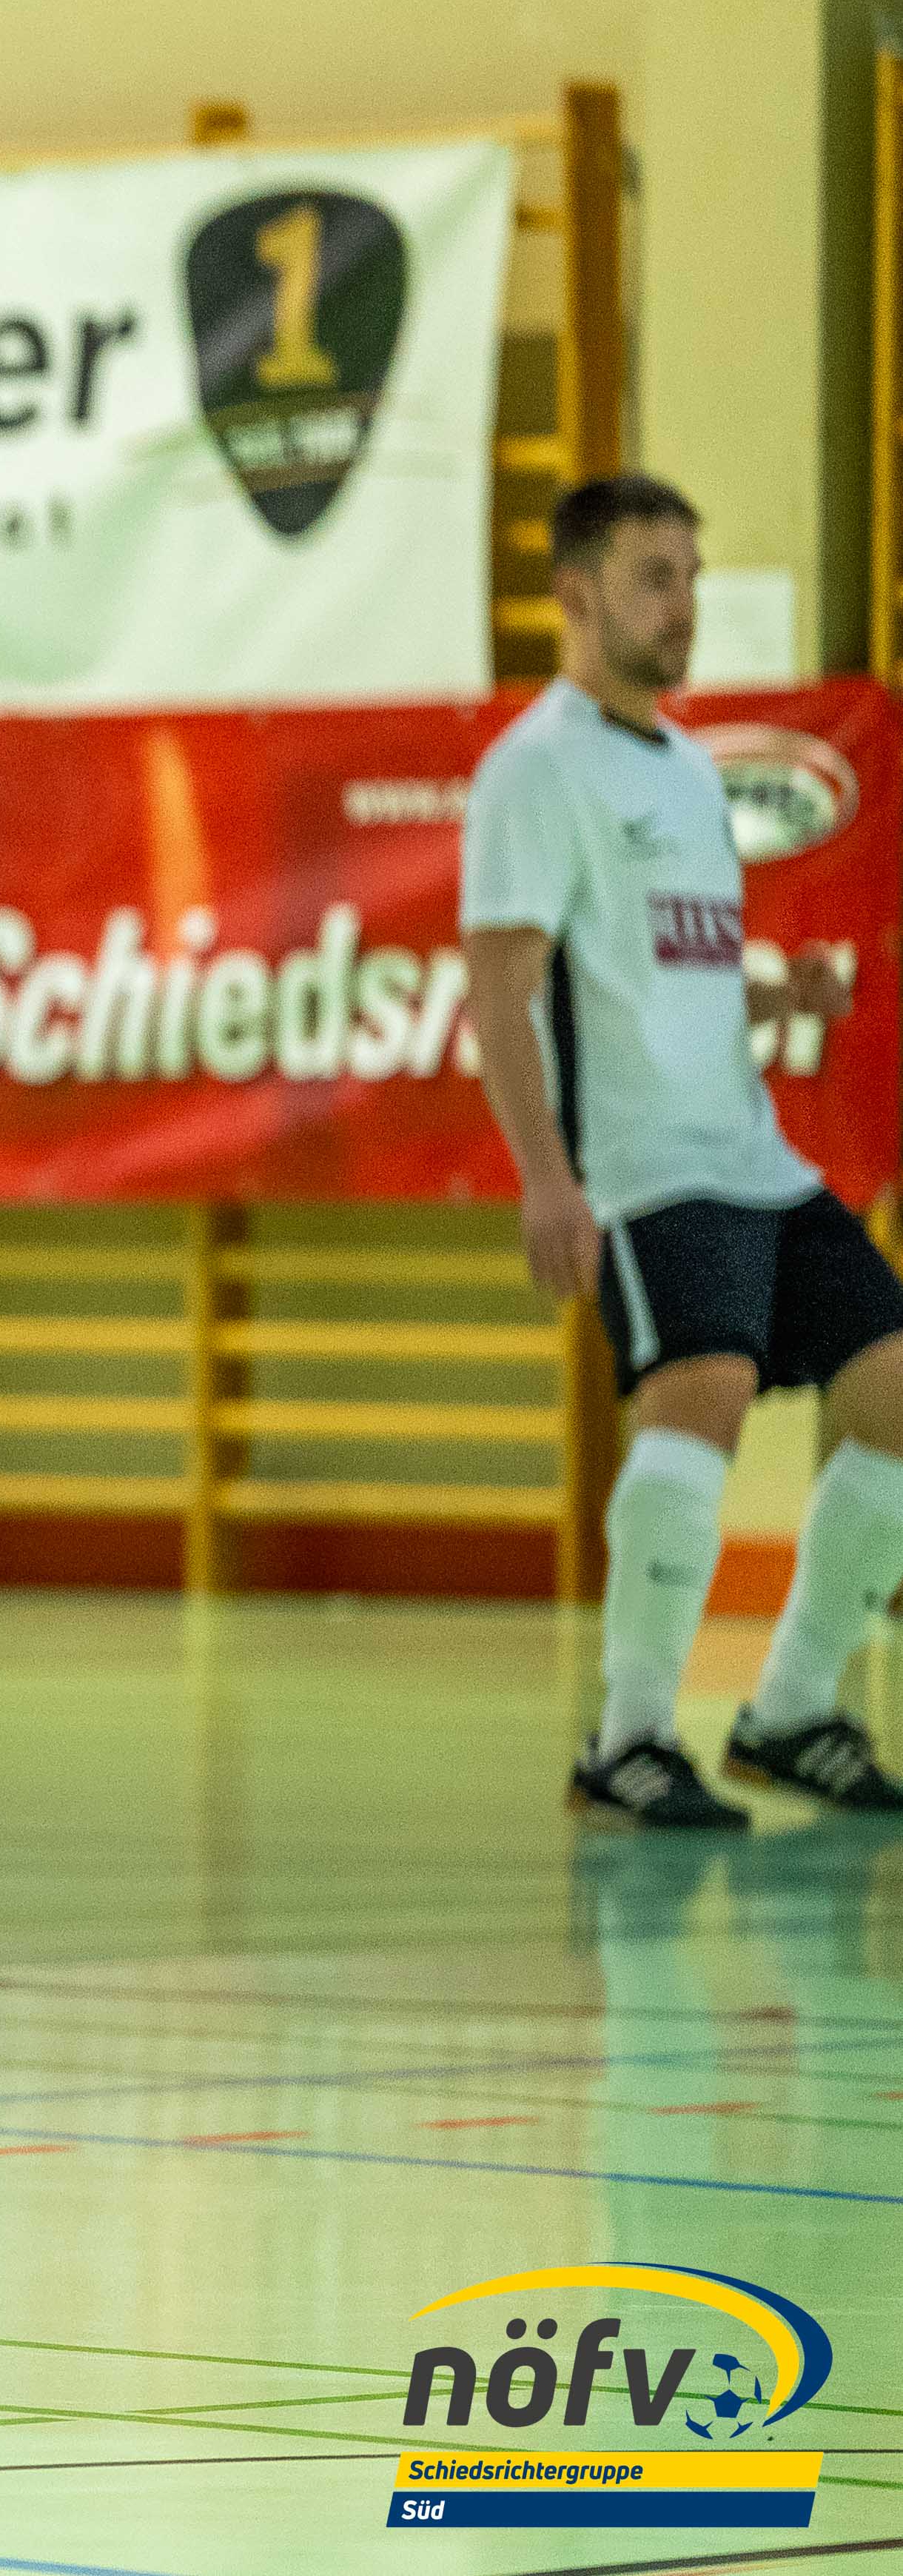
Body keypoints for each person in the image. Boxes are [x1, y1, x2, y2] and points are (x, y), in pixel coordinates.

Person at [466, 472, 903, 1830]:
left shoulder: (688, 769)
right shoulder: (536, 768)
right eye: (654, 578)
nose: (683, 606)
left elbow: (666, 977)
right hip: (648, 1170)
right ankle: (629, 1738)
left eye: (691, 579)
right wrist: (547, 1178)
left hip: (752, 1155)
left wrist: (775, 998)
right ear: (577, 594)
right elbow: (501, 989)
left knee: (896, 1393)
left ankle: (791, 1711)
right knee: (699, 1395)